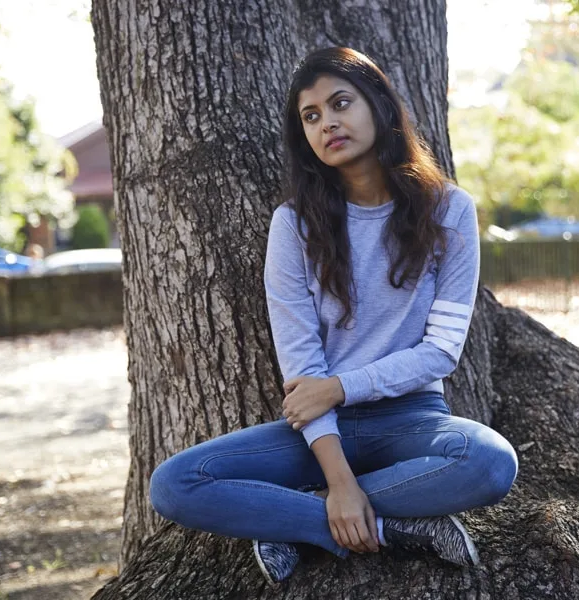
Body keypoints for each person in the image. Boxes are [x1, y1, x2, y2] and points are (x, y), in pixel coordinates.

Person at [149, 46, 519, 587]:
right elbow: (302, 368)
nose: (327, 123)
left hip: (412, 418)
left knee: (490, 462)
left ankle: (294, 516)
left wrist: (341, 387)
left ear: (380, 106)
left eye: (340, 103)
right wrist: (340, 479)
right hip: (322, 432)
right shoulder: (294, 225)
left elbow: (441, 352)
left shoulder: (449, 210)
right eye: (311, 116)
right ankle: (389, 526)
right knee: (175, 484)